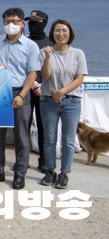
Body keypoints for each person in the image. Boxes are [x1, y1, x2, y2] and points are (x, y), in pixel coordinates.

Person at [0, 7, 41, 190]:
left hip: (20, 92)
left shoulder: (30, 46)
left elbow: (32, 73)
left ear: (22, 24)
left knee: (21, 136)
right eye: (7, 21)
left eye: (15, 21)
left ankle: (19, 173)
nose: (11, 25)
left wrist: (22, 95)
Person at [39, 20, 87, 189]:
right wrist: (47, 57)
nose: (61, 34)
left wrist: (62, 91)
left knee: (67, 140)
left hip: (71, 101)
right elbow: (44, 76)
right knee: (49, 139)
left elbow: (80, 78)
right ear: (52, 34)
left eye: (64, 31)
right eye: (57, 31)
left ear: (70, 33)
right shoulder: (44, 52)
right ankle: (50, 170)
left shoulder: (78, 53)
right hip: (48, 101)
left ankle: (64, 173)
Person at [25, 10, 53, 173]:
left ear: (44, 23)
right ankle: (23, 160)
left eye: (36, 22)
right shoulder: (24, 42)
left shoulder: (51, 43)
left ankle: (44, 160)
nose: (32, 25)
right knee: (23, 127)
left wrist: (43, 84)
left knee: (44, 127)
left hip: (45, 91)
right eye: (30, 21)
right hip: (27, 89)